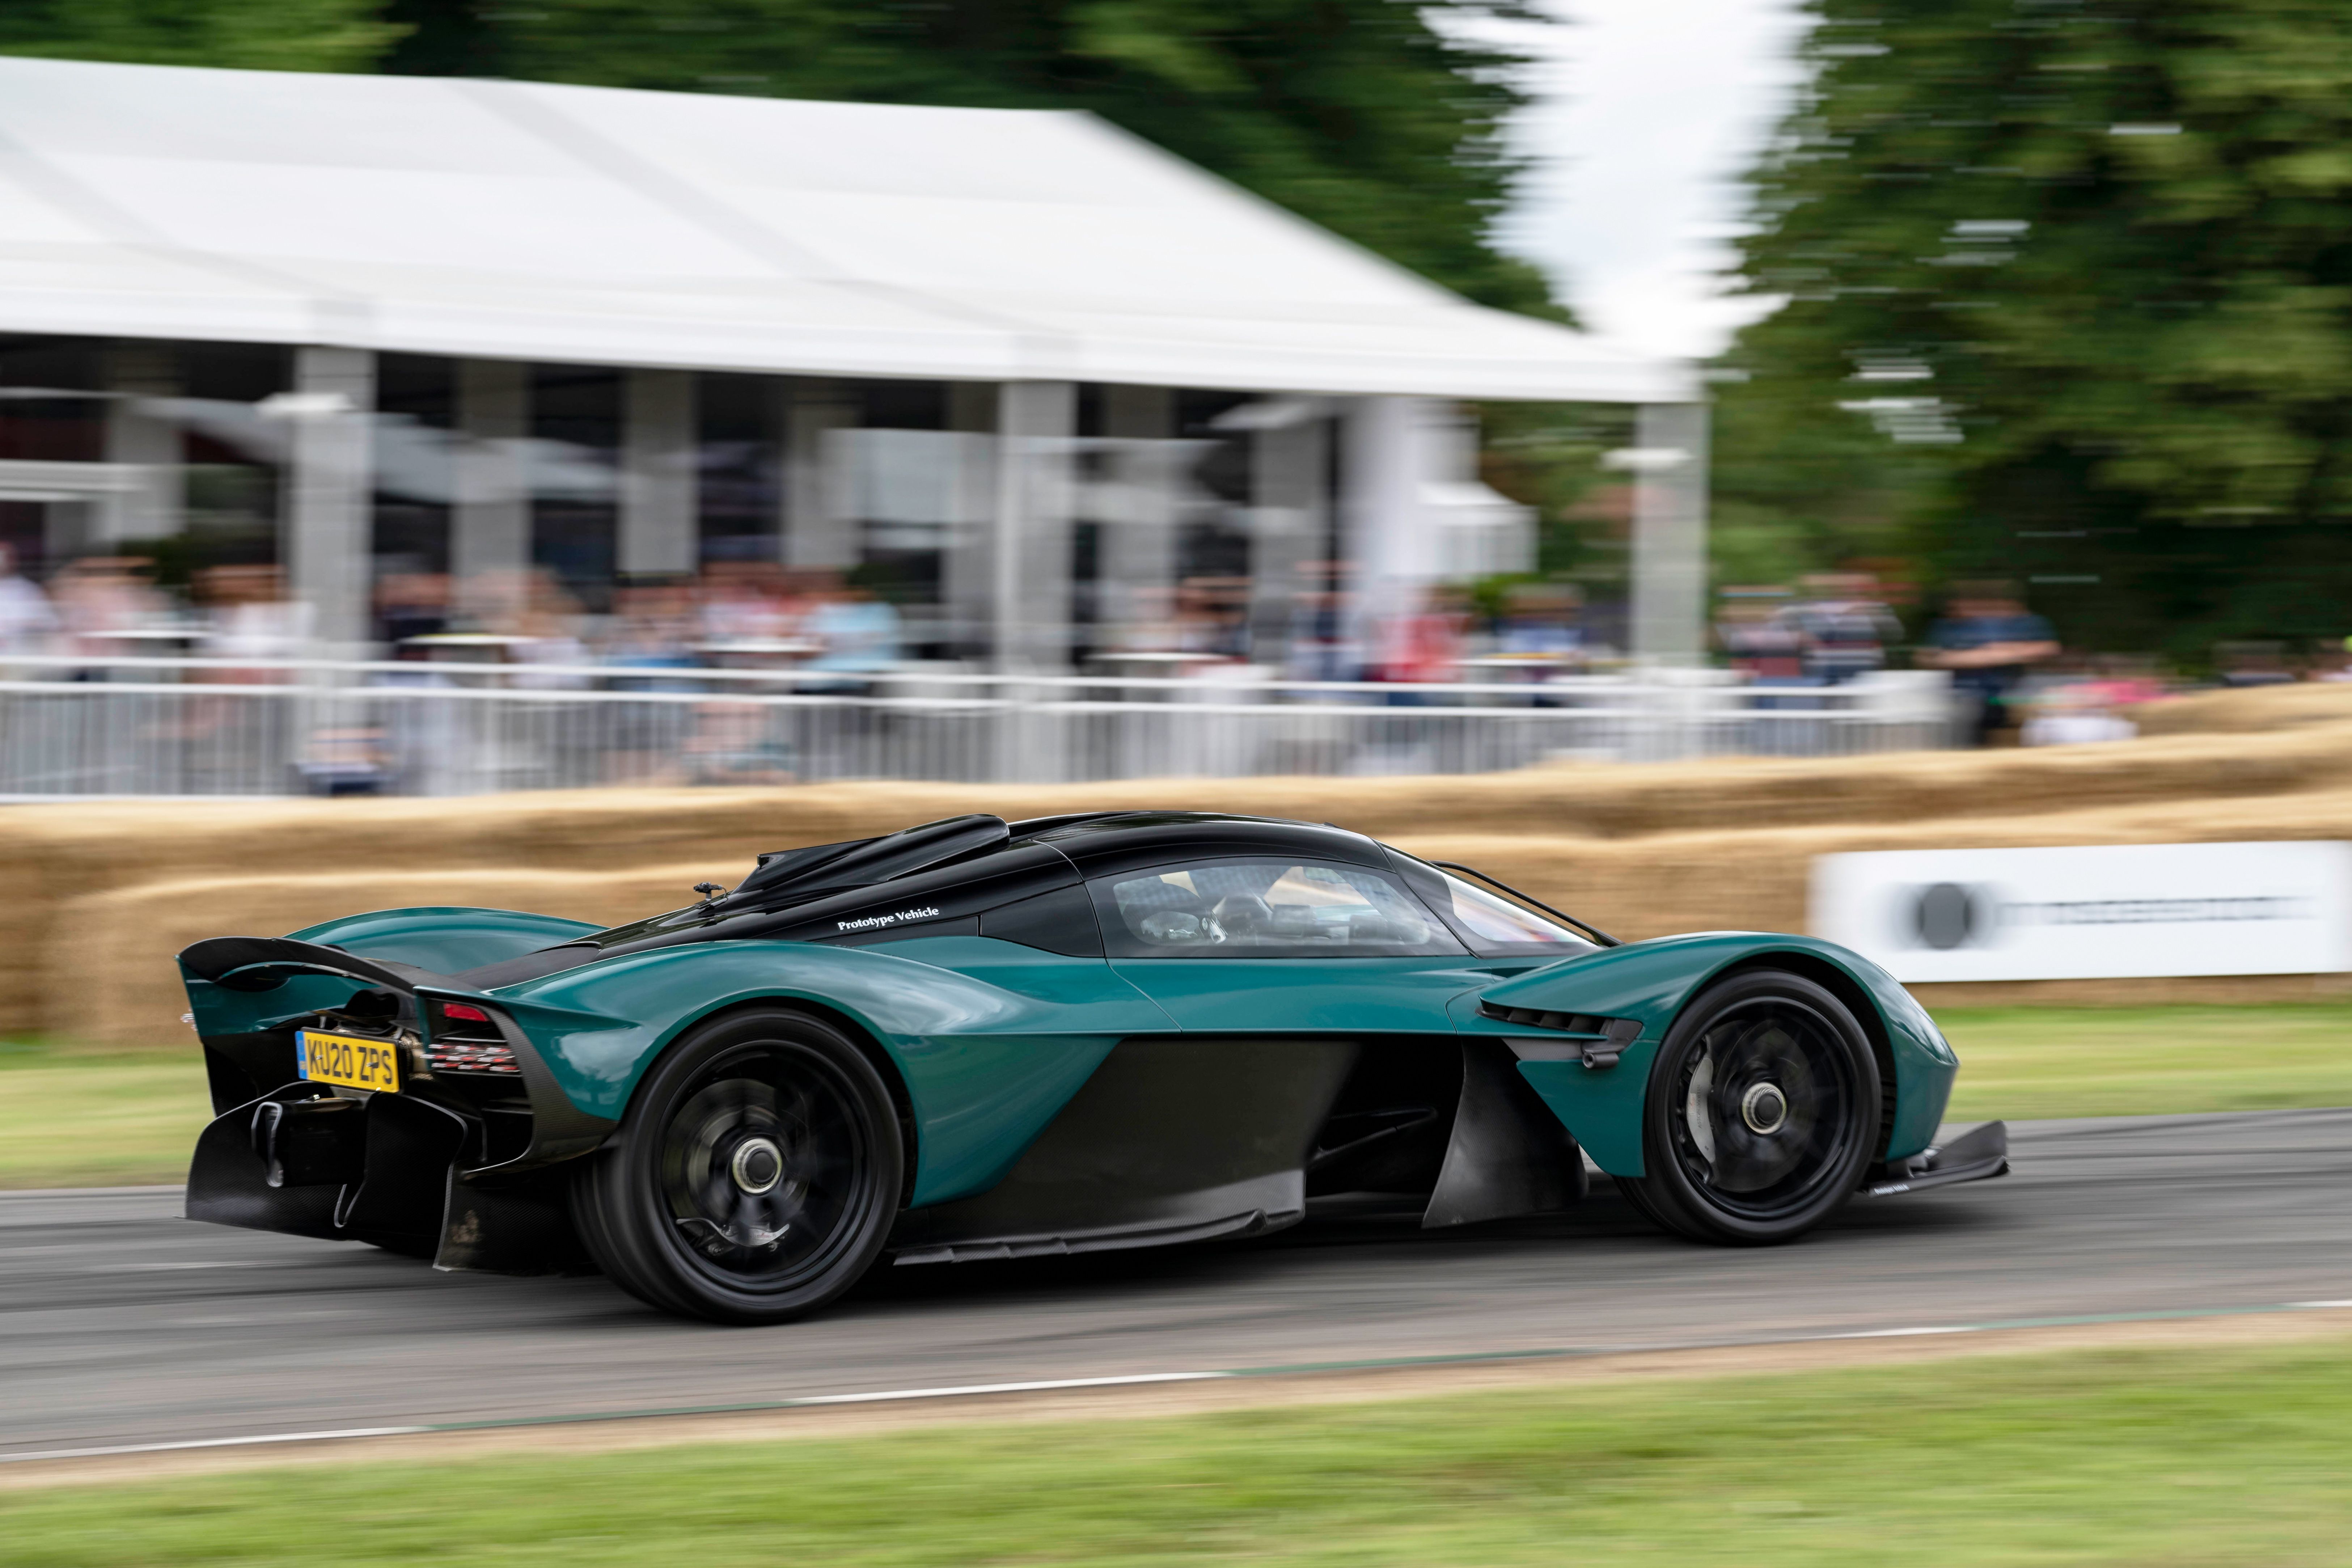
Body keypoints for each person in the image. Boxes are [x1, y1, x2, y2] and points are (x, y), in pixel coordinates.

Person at [1919, 582, 2060, 745]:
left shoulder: (2025, 623)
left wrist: (2002, 652)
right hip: (1964, 693)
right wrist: (1986, 656)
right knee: (1970, 709)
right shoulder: (1946, 627)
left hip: (2012, 691)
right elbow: (1927, 658)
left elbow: (2048, 648)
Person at [0, 542, 58, 657]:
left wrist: (19, 625)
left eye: (3, 557)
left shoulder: (30, 591)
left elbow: (51, 624)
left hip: (19, 658)